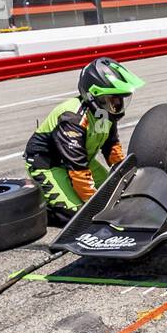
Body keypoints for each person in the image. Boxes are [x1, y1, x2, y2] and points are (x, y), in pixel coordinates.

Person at [24, 57, 144, 224]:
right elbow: (77, 169)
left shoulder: (104, 113)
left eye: (120, 99)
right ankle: (38, 207)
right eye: (113, 98)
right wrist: (93, 205)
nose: (118, 104)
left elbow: (111, 147)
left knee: (116, 193)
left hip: (82, 161)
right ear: (94, 96)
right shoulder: (72, 119)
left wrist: (127, 177)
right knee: (79, 217)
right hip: (48, 165)